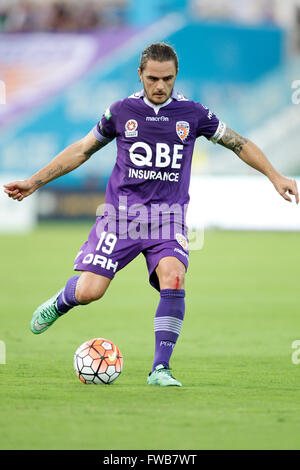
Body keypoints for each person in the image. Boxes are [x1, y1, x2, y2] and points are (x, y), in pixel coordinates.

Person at [3, 42, 299, 387]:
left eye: (168, 79)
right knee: (90, 292)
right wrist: (34, 182)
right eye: (153, 78)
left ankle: (161, 369)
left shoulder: (193, 113)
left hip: (168, 218)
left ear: (176, 77)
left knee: (174, 276)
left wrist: (275, 176)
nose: (160, 86)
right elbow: (83, 150)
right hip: (121, 217)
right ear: (140, 74)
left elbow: (239, 143)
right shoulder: (121, 111)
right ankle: (61, 301)